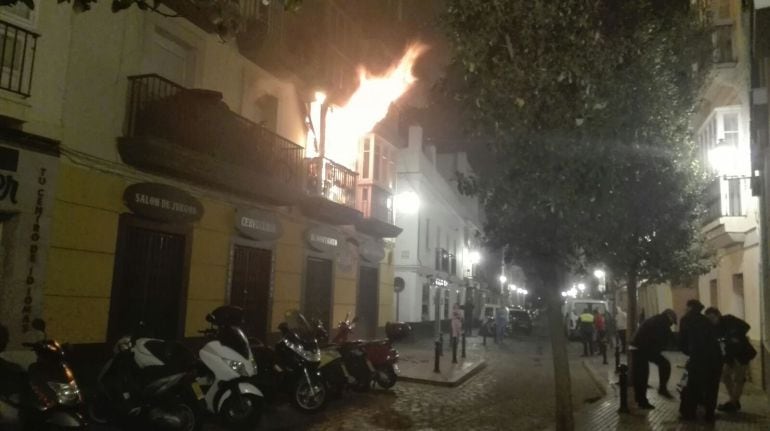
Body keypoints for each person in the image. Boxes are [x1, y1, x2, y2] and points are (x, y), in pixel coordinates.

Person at [704, 308, 756, 413]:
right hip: (729, 355)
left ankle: (733, 403)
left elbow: (746, 326)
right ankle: (734, 401)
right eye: (709, 319)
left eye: (713, 318)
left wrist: (734, 336)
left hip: (741, 353)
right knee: (725, 375)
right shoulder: (713, 328)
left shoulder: (729, 319)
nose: (712, 321)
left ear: (718, 315)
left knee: (739, 379)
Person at [679, 301, 723, 423]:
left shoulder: (686, 320)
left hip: (698, 358)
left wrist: (690, 353)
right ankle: (709, 414)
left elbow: (682, 343)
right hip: (714, 359)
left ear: (690, 308)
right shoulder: (705, 320)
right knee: (712, 387)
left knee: (693, 386)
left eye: (686, 307)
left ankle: (689, 413)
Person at [630, 309, 677, 408]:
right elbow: (663, 338)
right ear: (669, 317)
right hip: (641, 348)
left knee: (645, 372)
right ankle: (643, 400)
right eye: (672, 322)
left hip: (640, 347)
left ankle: (644, 397)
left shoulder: (659, 320)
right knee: (642, 375)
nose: (672, 325)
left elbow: (666, 337)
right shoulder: (661, 322)